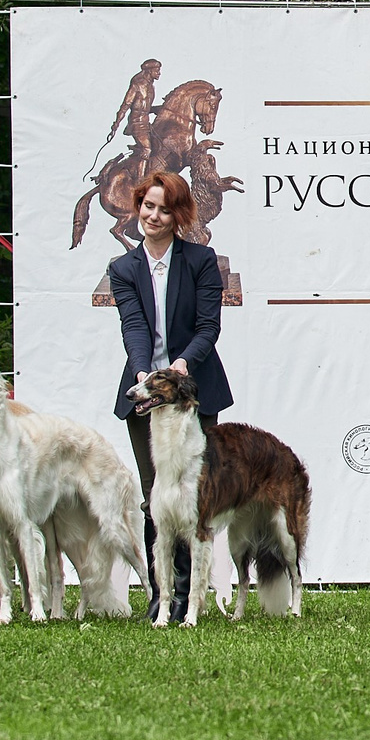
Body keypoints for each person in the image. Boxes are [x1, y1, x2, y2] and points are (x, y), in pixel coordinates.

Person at [109, 171, 233, 624]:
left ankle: (188, 596)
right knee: (154, 497)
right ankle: (161, 597)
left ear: (178, 215)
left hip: (191, 392)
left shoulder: (200, 260)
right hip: (145, 395)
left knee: (192, 497)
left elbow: (208, 327)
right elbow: (133, 327)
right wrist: (145, 370)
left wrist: (181, 364)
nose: (152, 216)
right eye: (147, 206)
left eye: (163, 209)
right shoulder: (123, 268)